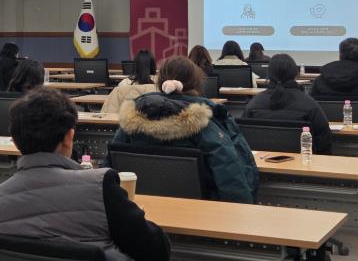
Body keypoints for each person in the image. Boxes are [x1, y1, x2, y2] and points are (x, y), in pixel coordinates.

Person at [0, 89, 171, 261]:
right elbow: (156, 251)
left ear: (14, 141)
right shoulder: (99, 186)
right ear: (69, 137)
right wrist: (135, 216)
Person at [105, 56, 259, 204]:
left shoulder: (130, 123)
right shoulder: (207, 126)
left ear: (160, 82)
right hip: (202, 215)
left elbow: (106, 171)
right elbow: (231, 177)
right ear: (196, 84)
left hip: (140, 211)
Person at [245, 54, 332, 154]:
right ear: (295, 73)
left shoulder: (253, 104)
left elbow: (243, 137)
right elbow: (324, 139)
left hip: (259, 161)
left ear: (269, 74)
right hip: (303, 162)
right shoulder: (309, 104)